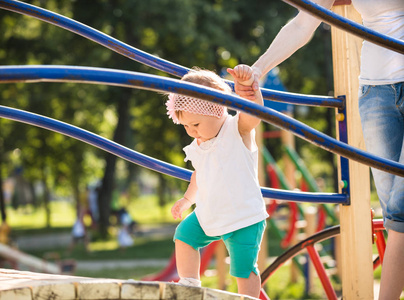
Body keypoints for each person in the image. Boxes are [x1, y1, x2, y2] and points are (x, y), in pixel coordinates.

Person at [235, 1, 404, 299]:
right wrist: (259, 70)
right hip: (376, 93)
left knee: (403, 212)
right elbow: (304, 23)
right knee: (394, 213)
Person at [166, 66, 269, 298]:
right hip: (211, 213)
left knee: (243, 269)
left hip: (243, 217)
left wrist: (250, 92)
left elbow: (254, 114)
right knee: (184, 235)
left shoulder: (236, 129)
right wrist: (186, 199)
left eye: (196, 124)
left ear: (216, 111)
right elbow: (198, 175)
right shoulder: (198, 144)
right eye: (186, 126)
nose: (191, 132)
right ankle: (190, 284)